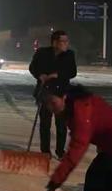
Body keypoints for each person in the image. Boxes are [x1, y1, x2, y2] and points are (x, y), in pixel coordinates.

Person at [29, 30, 77, 158]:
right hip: (45, 92)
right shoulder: (42, 53)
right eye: (63, 41)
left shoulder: (69, 55)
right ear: (55, 42)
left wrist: (58, 75)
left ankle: (60, 151)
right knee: (45, 124)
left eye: (67, 41)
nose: (66, 44)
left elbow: (72, 72)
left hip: (61, 94)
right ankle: (45, 151)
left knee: (61, 125)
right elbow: (32, 67)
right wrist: (41, 76)